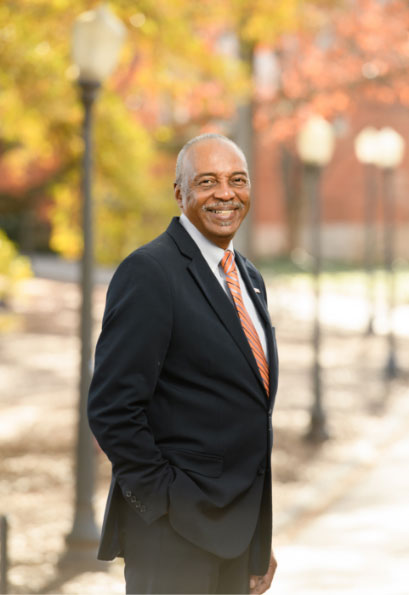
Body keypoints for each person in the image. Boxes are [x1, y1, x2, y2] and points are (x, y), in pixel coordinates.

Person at [88, 133, 279, 594]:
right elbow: (112, 408)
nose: (225, 194)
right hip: (172, 538)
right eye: (207, 181)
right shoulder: (150, 272)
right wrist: (165, 504)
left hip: (236, 533)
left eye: (237, 180)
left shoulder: (247, 277)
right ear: (180, 193)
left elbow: (249, 411)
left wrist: (257, 535)